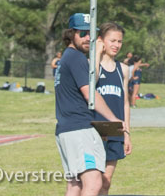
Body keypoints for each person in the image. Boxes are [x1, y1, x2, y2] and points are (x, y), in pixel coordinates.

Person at [55, 13, 116, 196]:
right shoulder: (76, 58)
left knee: (75, 186)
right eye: (82, 33)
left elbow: (90, 81)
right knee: (93, 183)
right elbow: (90, 92)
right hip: (79, 129)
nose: (88, 37)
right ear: (71, 33)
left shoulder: (68, 57)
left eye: (91, 33)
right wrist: (113, 119)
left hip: (66, 129)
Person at [95, 22, 131, 195]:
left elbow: (125, 103)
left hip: (114, 130)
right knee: (92, 181)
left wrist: (127, 133)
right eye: (112, 40)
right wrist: (96, 54)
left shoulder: (122, 70)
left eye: (120, 41)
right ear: (101, 40)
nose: (116, 45)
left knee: (106, 182)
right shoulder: (90, 65)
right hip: (93, 129)